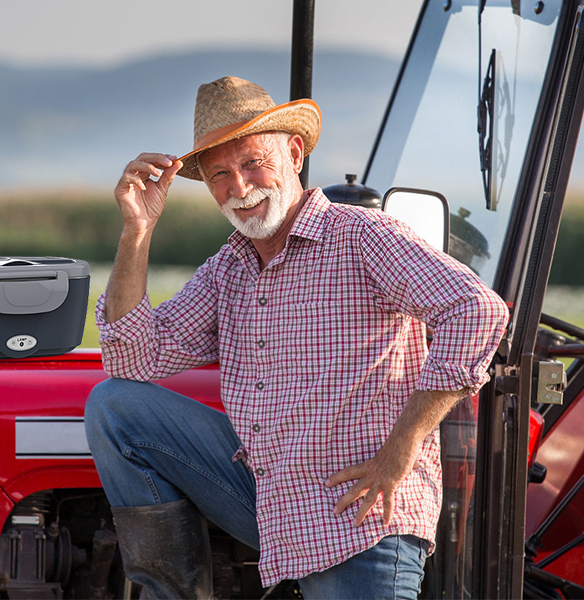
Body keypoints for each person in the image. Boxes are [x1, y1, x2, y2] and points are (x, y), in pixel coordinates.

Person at [84, 76, 509, 599]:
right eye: (219, 174)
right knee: (116, 407)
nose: (238, 188)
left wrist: (401, 449)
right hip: (272, 502)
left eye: (252, 164)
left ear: (294, 152)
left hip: (359, 515)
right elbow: (133, 360)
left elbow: (478, 308)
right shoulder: (228, 270)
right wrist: (138, 230)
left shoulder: (362, 238)